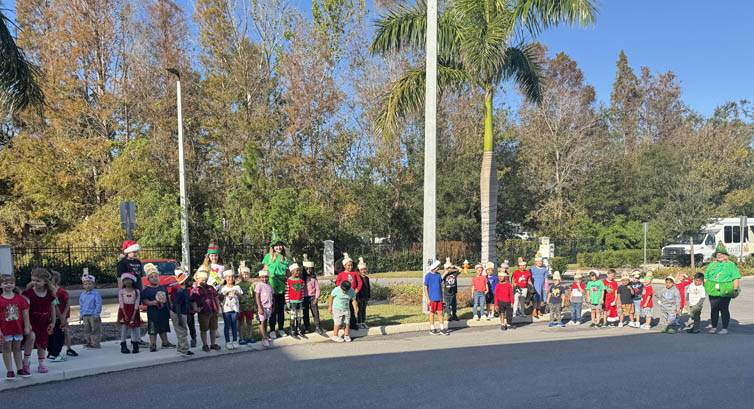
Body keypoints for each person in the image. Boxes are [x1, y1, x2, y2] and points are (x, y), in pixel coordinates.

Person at [22, 268, 58, 374]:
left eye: (38, 281)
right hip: (32, 321)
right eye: (33, 280)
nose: (35, 283)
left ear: (45, 281)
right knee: (31, 338)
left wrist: (53, 322)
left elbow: (53, 308)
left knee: (42, 343)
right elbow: (25, 310)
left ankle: (41, 364)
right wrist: (27, 325)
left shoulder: (51, 294)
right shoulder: (28, 293)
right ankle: (26, 362)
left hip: (44, 322)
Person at [704, 242, 741, 334]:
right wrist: (708, 285)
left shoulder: (731, 265)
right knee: (714, 309)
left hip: (726, 290)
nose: (719, 256)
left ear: (725, 255)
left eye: (721, 254)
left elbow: (735, 277)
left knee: (724, 308)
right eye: (718, 254)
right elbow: (706, 276)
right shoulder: (712, 264)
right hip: (713, 290)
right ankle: (714, 327)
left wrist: (735, 289)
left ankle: (725, 328)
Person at [0, 274, 32, 379]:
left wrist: (27, 326)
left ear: (14, 284)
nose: (8, 285)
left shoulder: (20, 299)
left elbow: (25, 313)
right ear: (1, 285)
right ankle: (10, 370)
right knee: (7, 349)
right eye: (5, 283)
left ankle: (20, 368)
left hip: (18, 328)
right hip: (5, 329)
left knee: (17, 349)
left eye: (11, 283)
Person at [141, 264, 175, 351]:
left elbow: (167, 298)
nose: (154, 278)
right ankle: (153, 344)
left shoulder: (163, 288)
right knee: (153, 329)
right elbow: (144, 300)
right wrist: (152, 303)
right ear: (148, 279)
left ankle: (165, 342)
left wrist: (170, 306)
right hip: (153, 314)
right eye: (152, 277)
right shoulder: (147, 290)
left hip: (163, 312)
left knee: (163, 327)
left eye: (156, 276)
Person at [263, 232, 291, 338]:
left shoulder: (285, 258)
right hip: (271, 286)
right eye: (276, 245)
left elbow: (288, 273)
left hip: (282, 286)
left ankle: (281, 329)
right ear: (273, 247)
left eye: (280, 245)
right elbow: (265, 270)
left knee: (280, 309)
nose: (278, 247)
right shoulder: (268, 257)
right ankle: (272, 330)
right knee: (272, 309)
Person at [191, 268, 221, 352]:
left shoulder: (211, 288)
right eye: (202, 280)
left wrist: (218, 308)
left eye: (206, 280)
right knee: (203, 329)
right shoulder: (195, 290)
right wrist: (195, 308)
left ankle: (213, 344)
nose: (204, 281)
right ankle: (205, 344)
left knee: (213, 328)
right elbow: (193, 300)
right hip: (203, 312)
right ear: (197, 279)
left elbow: (216, 298)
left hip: (213, 311)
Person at [335, 253, 363, 331]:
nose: (350, 267)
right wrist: (342, 289)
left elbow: (360, 282)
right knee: (343, 309)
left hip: (353, 294)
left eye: (351, 265)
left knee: (353, 309)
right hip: (344, 295)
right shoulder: (341, 274)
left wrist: (356, 290)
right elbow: (337, 282)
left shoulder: (355, 273)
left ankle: (353, 324)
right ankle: (342, 324)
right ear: (344, 266)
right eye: (348, 265)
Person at [169, 268, 193, 356]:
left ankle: (180, 348)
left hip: (183, 313)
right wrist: (179, 318)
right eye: (190, 281)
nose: (192, 282)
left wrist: (188, 315)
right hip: (177, 314)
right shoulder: (180, 292)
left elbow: (186, 304)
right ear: (184, 282)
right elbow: (177, 305)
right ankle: (184, 350)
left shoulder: (186, 290)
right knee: (182, 331)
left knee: (182, 331)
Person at [47, 271, 69, 362]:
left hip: (46, 319)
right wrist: (62, 319)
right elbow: (55, 307)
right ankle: (56, 354)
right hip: (55, 319)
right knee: (59, 337)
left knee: (50, 337)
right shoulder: (52, 293)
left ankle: (51, 353)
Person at [117, 273, 141, 354]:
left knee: (134, 328)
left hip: (133, 310)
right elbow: (121, 302)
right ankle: (123, 345)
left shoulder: (136, 291)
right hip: (124, 310)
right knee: (124, 328)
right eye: (125, 280)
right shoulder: (121, 291)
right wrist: (125, 314)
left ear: (133, 280)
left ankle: (135, 344)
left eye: (129, 279)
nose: (127, 282)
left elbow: (137, 302)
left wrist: (134, 315)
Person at [423, 260, 449, 335]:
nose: (438, 268)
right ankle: (432, 328)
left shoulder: (438, 275)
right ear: (434, 267)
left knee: (440, 313)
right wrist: (428, 299)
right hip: (432, 299)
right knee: (432, 313)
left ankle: (441, 328)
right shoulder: (428, 276)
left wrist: (446, 272)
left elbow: (440, 279)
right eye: (437, 267)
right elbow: (425, 287)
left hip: (439, 298)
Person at [78, 273, 102, 349]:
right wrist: (81, 314)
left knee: (95, 329)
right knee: (87, 329)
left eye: (90, 284)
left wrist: (96, 314)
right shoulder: (82, 294)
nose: (88, 286)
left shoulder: (96, 294)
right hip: (85, 315)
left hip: (93, 314)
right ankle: (88, 342)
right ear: (83, 285)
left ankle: (95, 343)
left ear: (93, 284)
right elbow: (81, 305)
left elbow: (98, 304)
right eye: (85, 284)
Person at [221, 269, 243, 349]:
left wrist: (236, 293)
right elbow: (219, 299)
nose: (230, 279)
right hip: (226, 310)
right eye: (228, 277)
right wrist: (223, 294)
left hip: (235, 309)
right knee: (227, 326)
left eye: (232, 277)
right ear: (225, 278)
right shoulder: (222, 288)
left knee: (234, 325)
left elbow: (241, 298)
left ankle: (234, 340)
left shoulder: (237, 287)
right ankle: (227, 342)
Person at [302, 256, 323, 335]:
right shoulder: (302, 279)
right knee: (305, 313)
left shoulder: (314, 278)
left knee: (315, 313)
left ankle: (317, 327)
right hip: (304, 298)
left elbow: (317, 289)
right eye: (307, 269)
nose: (309, 270)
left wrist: (316, 298)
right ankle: (307, 327)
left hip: (313, 297)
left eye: (310, 269)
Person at [236, 261, 256, 345]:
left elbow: (254, 295)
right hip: (241, 307)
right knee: (240, 323)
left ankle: (250, 337)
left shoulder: (252, 284)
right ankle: (241, 338)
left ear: (249, 275)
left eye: (246, 274)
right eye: (243, 274)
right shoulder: (238, 285)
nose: (245, 276)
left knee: (249, 322)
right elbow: (236, 297)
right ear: (240, 275)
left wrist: (254, 304)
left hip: (249, 306)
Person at [285, 263, 305, 339]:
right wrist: (288, 302)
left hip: (299, 301)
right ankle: (292, 329)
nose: (298, 272)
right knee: (292, 316)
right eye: (297, 271)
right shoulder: (289, 281)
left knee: (299, 316)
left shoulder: (300, 280)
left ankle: (299, 329)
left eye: (299, 271)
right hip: (292, 301)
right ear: (292, 271)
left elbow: (302, 291)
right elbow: (287, 292)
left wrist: (302, 299)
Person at [255, 270, 273, 347]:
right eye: (262, 277)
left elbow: (272, 295)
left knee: (266, 321)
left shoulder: (269, 285)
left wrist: (273, 305)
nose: (264, 279)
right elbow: (257, 296)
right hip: (262, 307)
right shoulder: (259, 285)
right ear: (260, 277)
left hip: (269, 306)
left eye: (266, 277)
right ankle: (264, 338)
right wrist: (259, 306)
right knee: (262, 322)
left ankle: (266, 334)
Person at [356, 258, 371, 329]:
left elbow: (368, 288)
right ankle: (359, 322)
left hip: (365, 297)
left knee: (364, 310)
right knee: (359, 310)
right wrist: (357, 297)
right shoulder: (358, 278)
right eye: (362, 270)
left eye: (364, 269)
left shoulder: (367, 278)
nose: (363, 271)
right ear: (359, 270)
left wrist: (369, 296)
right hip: (359, 297)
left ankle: (363, 322)